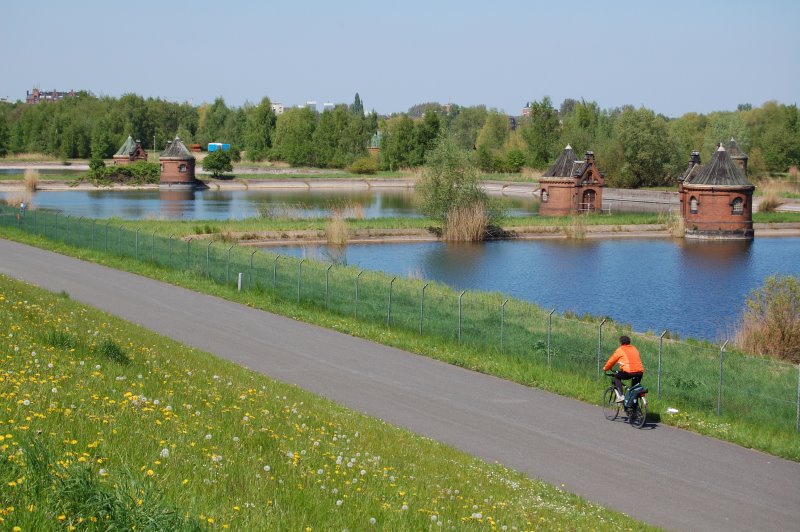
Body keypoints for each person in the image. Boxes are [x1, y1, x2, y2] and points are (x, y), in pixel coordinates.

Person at [603, 335, 644, 403]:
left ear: (621, 343)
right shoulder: (634, 348)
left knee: (617, 376)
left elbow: (612, 360)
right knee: (634, 390)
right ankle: (634, 409)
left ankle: (621, 396)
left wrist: (606, 368)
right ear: (629, 342)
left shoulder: (620, 350)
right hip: (640, 372)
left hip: (629, 372)